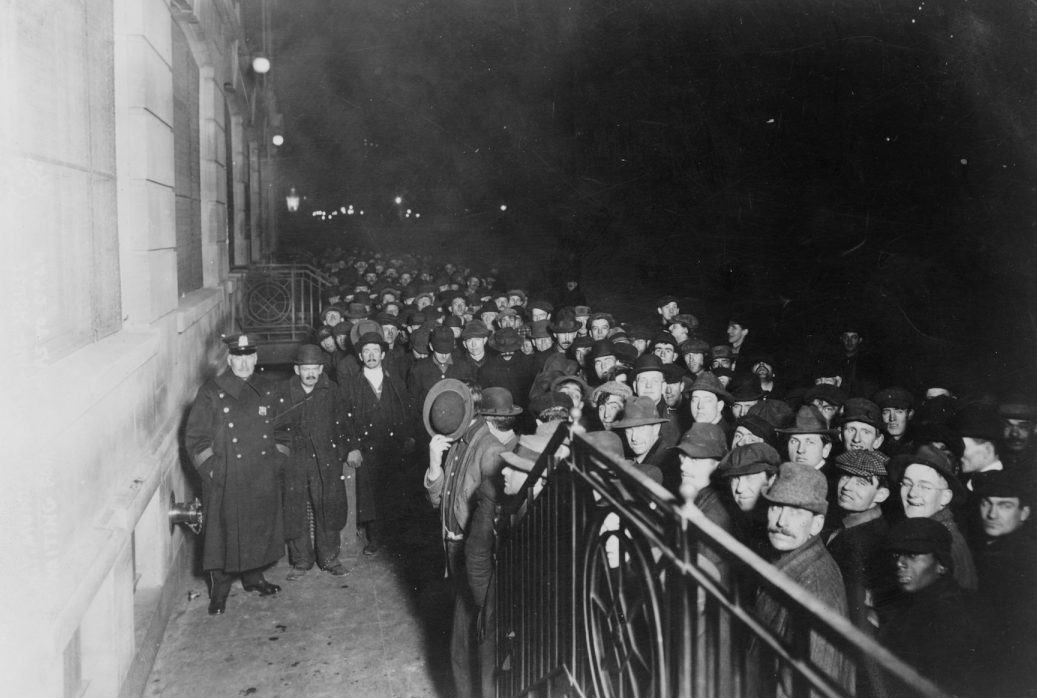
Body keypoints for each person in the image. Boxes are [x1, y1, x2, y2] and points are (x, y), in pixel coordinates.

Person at [184, 333, 290, 615]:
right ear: (229, 359)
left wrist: (276, 461)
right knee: (221, 536)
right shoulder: (211, 391)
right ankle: (219, 591)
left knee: (257, 529)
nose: (243, 363)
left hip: (261, 475)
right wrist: (214, 471)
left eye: (248, 357)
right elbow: (196, 439)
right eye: (238, 358)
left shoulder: (268, 389)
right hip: (226, 477)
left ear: (255, 359)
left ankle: (254, 579)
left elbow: (284, 430)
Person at [425, 381, 517, 698]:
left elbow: (498, 519)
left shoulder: (490, 450)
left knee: (475, 644)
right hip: (453, 551)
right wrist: (435, 465)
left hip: (473, 559)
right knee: (460, 642)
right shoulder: (460, 443)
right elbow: (440, 501)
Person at [750, 462, 853, 696]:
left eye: (795, 511)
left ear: (817, 524)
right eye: (776, 507)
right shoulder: (789, 562)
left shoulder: (816, 589)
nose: (781, 522)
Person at [879, 518, 979, 696]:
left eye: (912, 555)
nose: (899, 563)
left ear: (941, 564)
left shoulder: (947, 616)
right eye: (896, 555)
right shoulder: (918, 601)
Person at [340, 331, 416, 555]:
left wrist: (409, 437)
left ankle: (394, 539)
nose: (371, 355)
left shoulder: (395, 382)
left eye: (375, 350)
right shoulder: (351, 385)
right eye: (366, 351)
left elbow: (407, 413)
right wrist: (352, 447)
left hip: (393, 448)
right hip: (366, 449)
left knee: (395, 492)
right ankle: (375, 538)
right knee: (369, 495)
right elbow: (344, 420)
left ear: (383, 354)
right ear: (360, 357)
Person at [278, 344, 350, 580]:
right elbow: (275, 429)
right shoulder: (283, 393)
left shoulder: (332, 390)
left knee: (327, 506)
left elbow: (342, 424)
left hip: (325, 460)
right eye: (305, 368)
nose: (310, 373)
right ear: (297, 370)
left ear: (321, 369)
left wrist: (340, 452)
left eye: (315, 368)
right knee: (295, 508)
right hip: (295, 461)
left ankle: (329, 558)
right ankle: (301, 561)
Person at [825, 450, 894, 632]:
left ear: (881, 495)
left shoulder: (867, 541)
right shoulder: (852, 525)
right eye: (845, 476)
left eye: (861, 482)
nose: (847, 486)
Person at [893, 444, 978, 590]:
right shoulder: (920, 530)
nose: (912, 493)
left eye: (925, 487)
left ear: (945, 497)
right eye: (907, 484)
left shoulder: (947, 544)